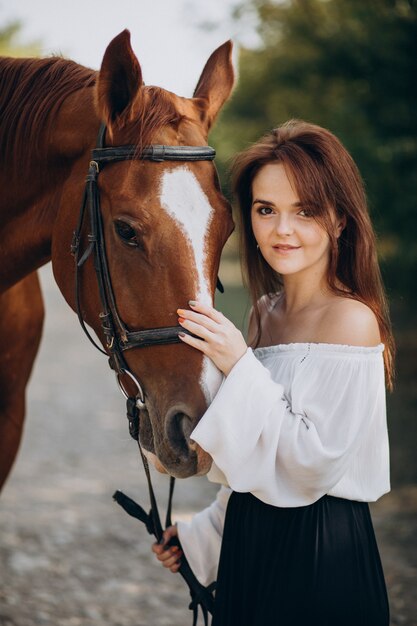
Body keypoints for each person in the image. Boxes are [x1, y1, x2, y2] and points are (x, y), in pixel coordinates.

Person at [152, 120, 393, 625]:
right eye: (266, 210)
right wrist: (201, 536)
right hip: (248, 544)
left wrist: (239, 364)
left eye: (304, 211)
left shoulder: (353, 320)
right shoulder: (263, 313)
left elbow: (309, 465)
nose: (282, 230)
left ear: (340, 220)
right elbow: (257, 456)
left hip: (321, 553)